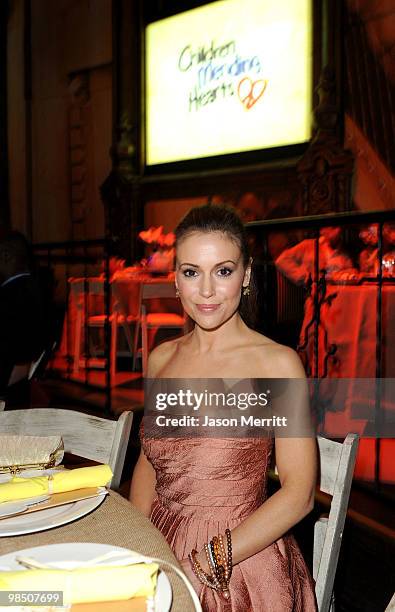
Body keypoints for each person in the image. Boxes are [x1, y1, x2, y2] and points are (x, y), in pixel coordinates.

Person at [130, 205, 317, 610]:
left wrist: (202, 564)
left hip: (240, 556)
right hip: (159, 541)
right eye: (192, 272)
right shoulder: (161, 359)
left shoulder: (277, 364)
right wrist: (136, 542)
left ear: (246, 275)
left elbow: (300, 493)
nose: (207, 291)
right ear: (176, 279)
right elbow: (149, 463)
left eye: (224, 271)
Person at [0, 230, 45, 394]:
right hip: (20, 386)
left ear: (5, 255)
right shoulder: (35, 289)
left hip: (7, 385)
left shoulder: (9, 297)